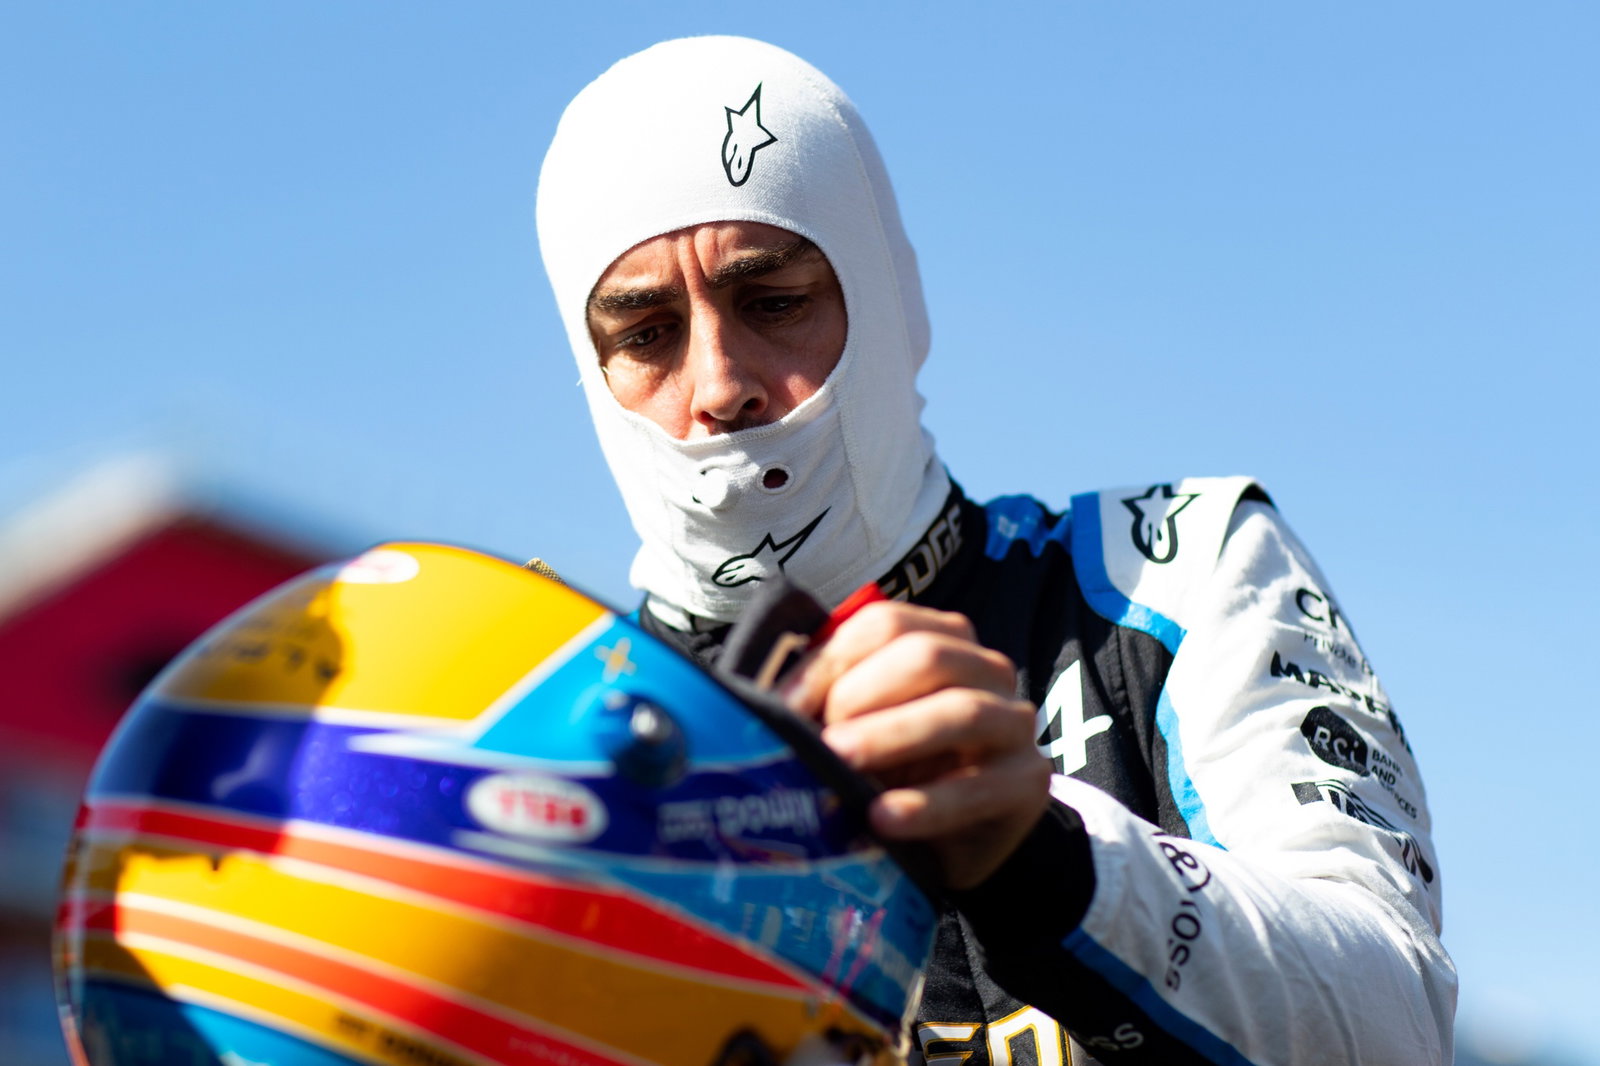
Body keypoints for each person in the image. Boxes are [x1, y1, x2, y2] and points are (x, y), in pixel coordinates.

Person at [536, 36, 1455, 1066]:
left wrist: (1052, 855)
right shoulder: (547, 732)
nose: (719, 386)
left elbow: (1397, 1025)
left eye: (774, 301)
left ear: (890, 301)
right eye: (647, 333)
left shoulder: (1169, 570)